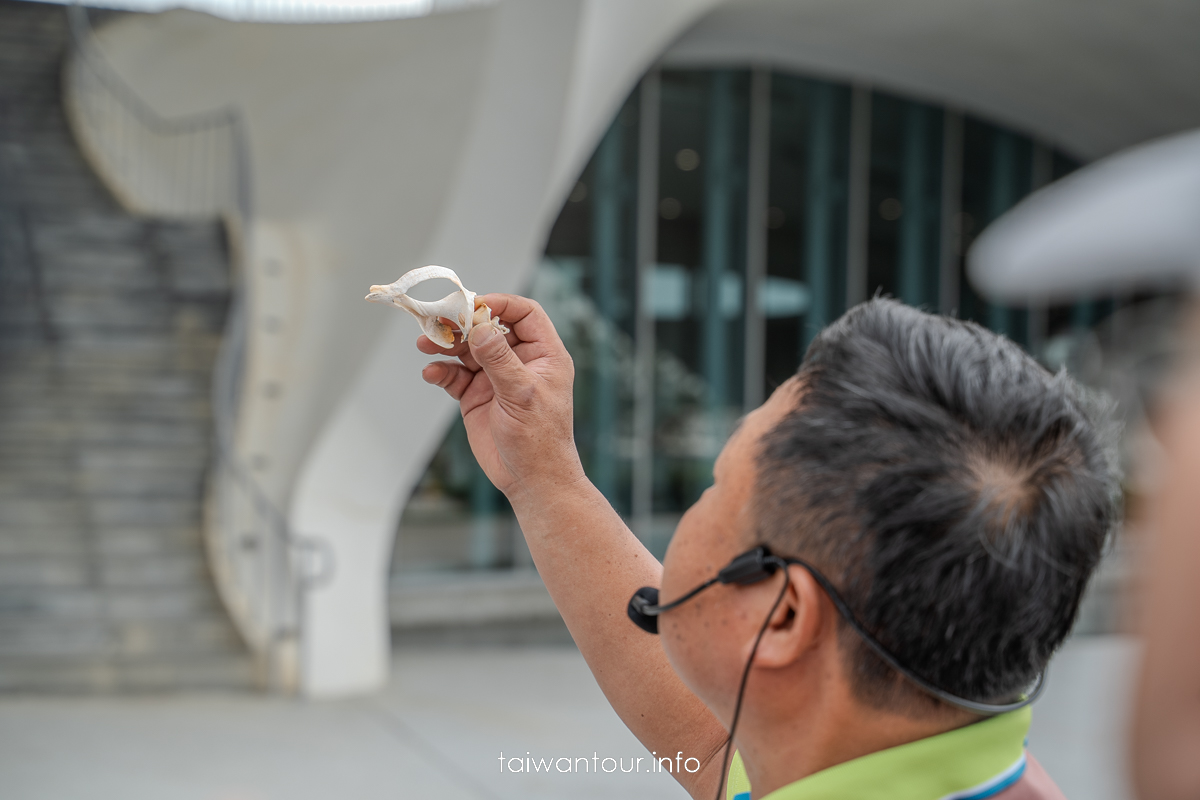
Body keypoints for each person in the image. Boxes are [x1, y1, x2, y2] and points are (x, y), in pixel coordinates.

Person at [417, 296, 1118, 800]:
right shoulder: (887, 744)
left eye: (719, 484)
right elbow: (713, 746)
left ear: (783, 616)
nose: (702, 500)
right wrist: (543, 475)